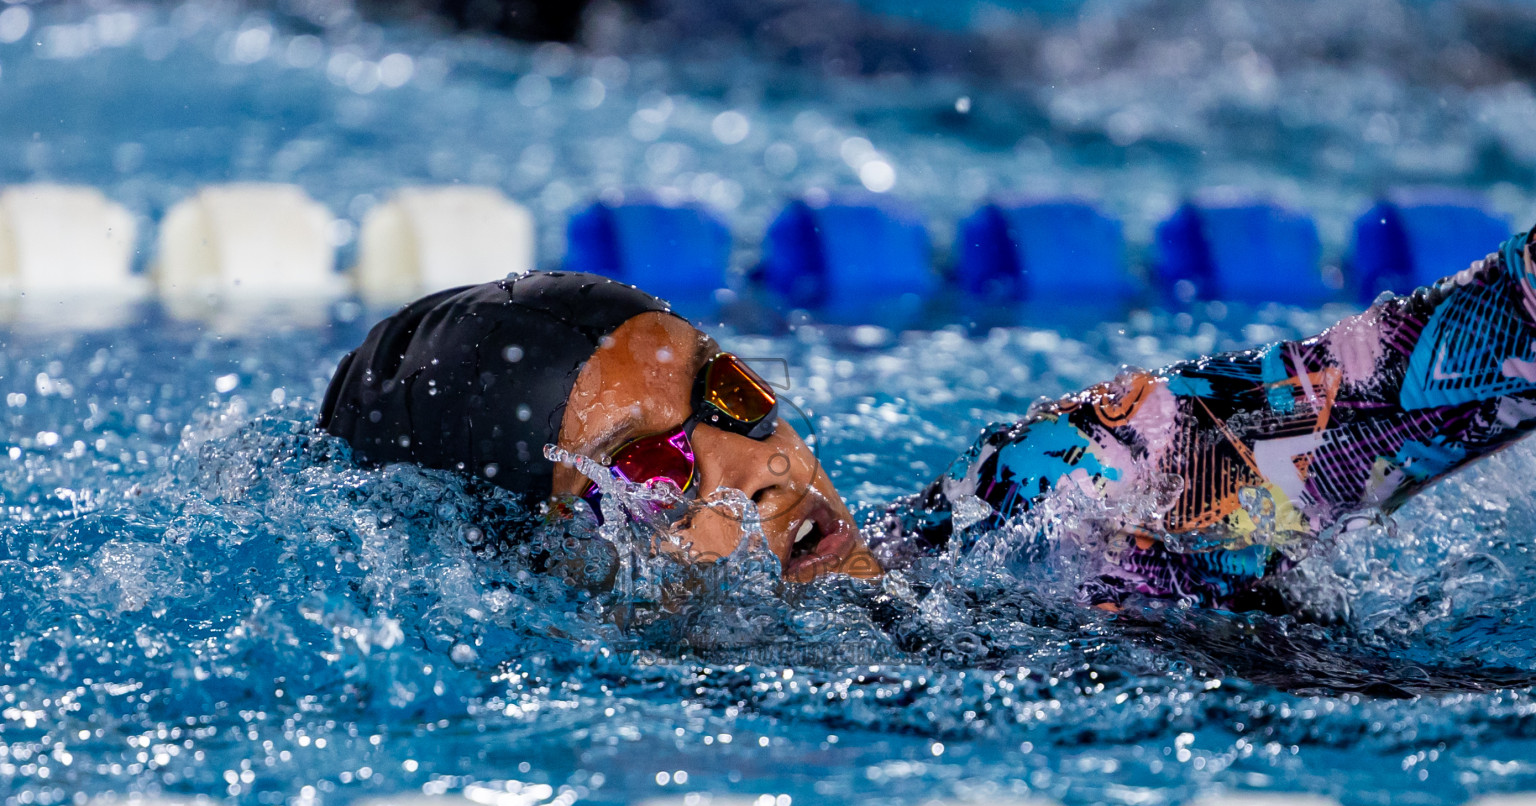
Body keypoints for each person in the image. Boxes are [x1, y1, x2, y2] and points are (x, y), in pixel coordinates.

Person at [320, 226, 1536, 609]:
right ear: (544, 562)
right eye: (661, 458)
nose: (762, 459)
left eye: (729, 390)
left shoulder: (1058, 504)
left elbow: (1465, 349)